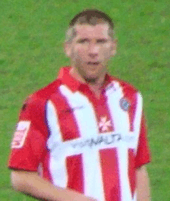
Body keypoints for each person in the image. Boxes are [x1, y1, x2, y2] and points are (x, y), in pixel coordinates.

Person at [8, 9, 151, 201]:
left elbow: (138, 167)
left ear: (113, 47)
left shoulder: (130, 97)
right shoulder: (42, 103)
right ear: (68, 48)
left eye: (101, 42)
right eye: (83, 42)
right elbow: (21, 177)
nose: (93, 51)